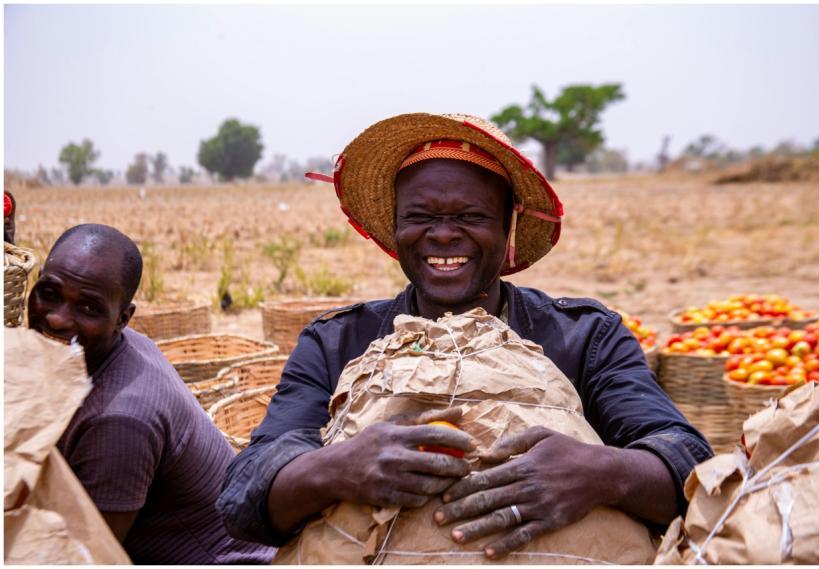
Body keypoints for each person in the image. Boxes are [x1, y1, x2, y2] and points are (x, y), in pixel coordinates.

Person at [217, 113, 713, 559]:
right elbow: (244, 495)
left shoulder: (585, 336)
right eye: (420, 217)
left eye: (470, 217)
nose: (443, 235)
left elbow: (690, 467)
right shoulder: (337, 342)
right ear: (394, 227)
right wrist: (338, 467)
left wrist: (603, 473)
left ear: (508, 225)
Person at [28, 223, 276, 564]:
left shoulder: (119, 420)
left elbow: (87, 557)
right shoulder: (113, 351)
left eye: (88, 309)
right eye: (49, 293)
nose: (56, 319)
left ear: (123, 318)